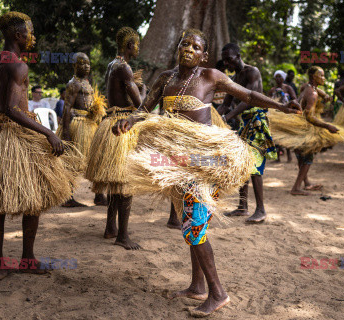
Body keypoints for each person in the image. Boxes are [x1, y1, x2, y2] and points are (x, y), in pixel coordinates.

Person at [112, 29, 300, 317]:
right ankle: (197, 286)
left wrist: (282, 106)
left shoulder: (210, 76)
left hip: (206, 160)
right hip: (178, 161)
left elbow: (248, 94)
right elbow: (145, 110)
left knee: (194, 226)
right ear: (178, 47)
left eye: (195, 46)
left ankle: (218, 293)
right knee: (192, 223)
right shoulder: (166, 78)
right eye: (184, 43)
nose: (188, 48)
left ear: (204, 55)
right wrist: (129, 121)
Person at [0, 12, 82, 281]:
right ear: (17, 35)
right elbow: (13, 109)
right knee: (33, 199)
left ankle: (1, 265)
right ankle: (27, 258)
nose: (32, 36)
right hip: (17, 137)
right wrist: (48, 133)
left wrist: (3, 121)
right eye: (29, 31)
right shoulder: (19, 66)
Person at [85, 27, 142, 249]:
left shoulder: (112, 65)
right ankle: (123, 236)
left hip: (110, 121)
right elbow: (140, 104)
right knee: (125, 182)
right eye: (136, 44)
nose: (138, 48)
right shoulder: (125, 68)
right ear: (130, 45)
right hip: (122, 125)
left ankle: (111, 227)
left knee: (116, 181)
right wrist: (144, 89)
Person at [218, 43, 278, 223]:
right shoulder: (233, 79)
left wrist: (227, 117)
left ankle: (261, 210)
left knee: (255, 166)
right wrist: (214, 115)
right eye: (225, 60)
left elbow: (248, 100)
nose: (227, 63)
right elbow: (226, 103)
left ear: (238, 55)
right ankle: (243, 207)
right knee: (243, 165)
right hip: (243, 124)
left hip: (257, 123)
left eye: (229, 59)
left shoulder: (252, 72)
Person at [267, 66, 344, 195]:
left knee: (301, 155)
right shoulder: (312, 93)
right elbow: (310, 116)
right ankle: (296, 188)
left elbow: (313, 89)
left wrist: (325, 94)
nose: (323, 78)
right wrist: (328, 126)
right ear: (313, 77)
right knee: (308, 157)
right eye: (320, 76)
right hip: (306, 125)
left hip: (298, 123)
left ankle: (306, 183)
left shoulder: (307, 87)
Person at [59, 52, 107, 207]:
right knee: (74, 161)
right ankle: (68, 197)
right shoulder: (73, 83)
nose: (86, 66)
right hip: (78, 125)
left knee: (97, 159)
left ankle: (99, 195)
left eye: (88, 63)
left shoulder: (86, 82)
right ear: (75, 66)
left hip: (89, 124)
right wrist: (66, 132)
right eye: (82, 64)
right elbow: (67, 107)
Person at [268, 70, 297, 163]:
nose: (278, 78)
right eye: (276, 76)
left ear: (283, 78)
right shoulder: (272, 90)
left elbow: (294, 98)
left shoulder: (288, 88)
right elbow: (267, 101)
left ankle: (289, 156)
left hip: (286, 114)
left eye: (280, 76)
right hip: (275, 115)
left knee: (286, 135)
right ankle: (278, 157)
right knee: (276, 136)